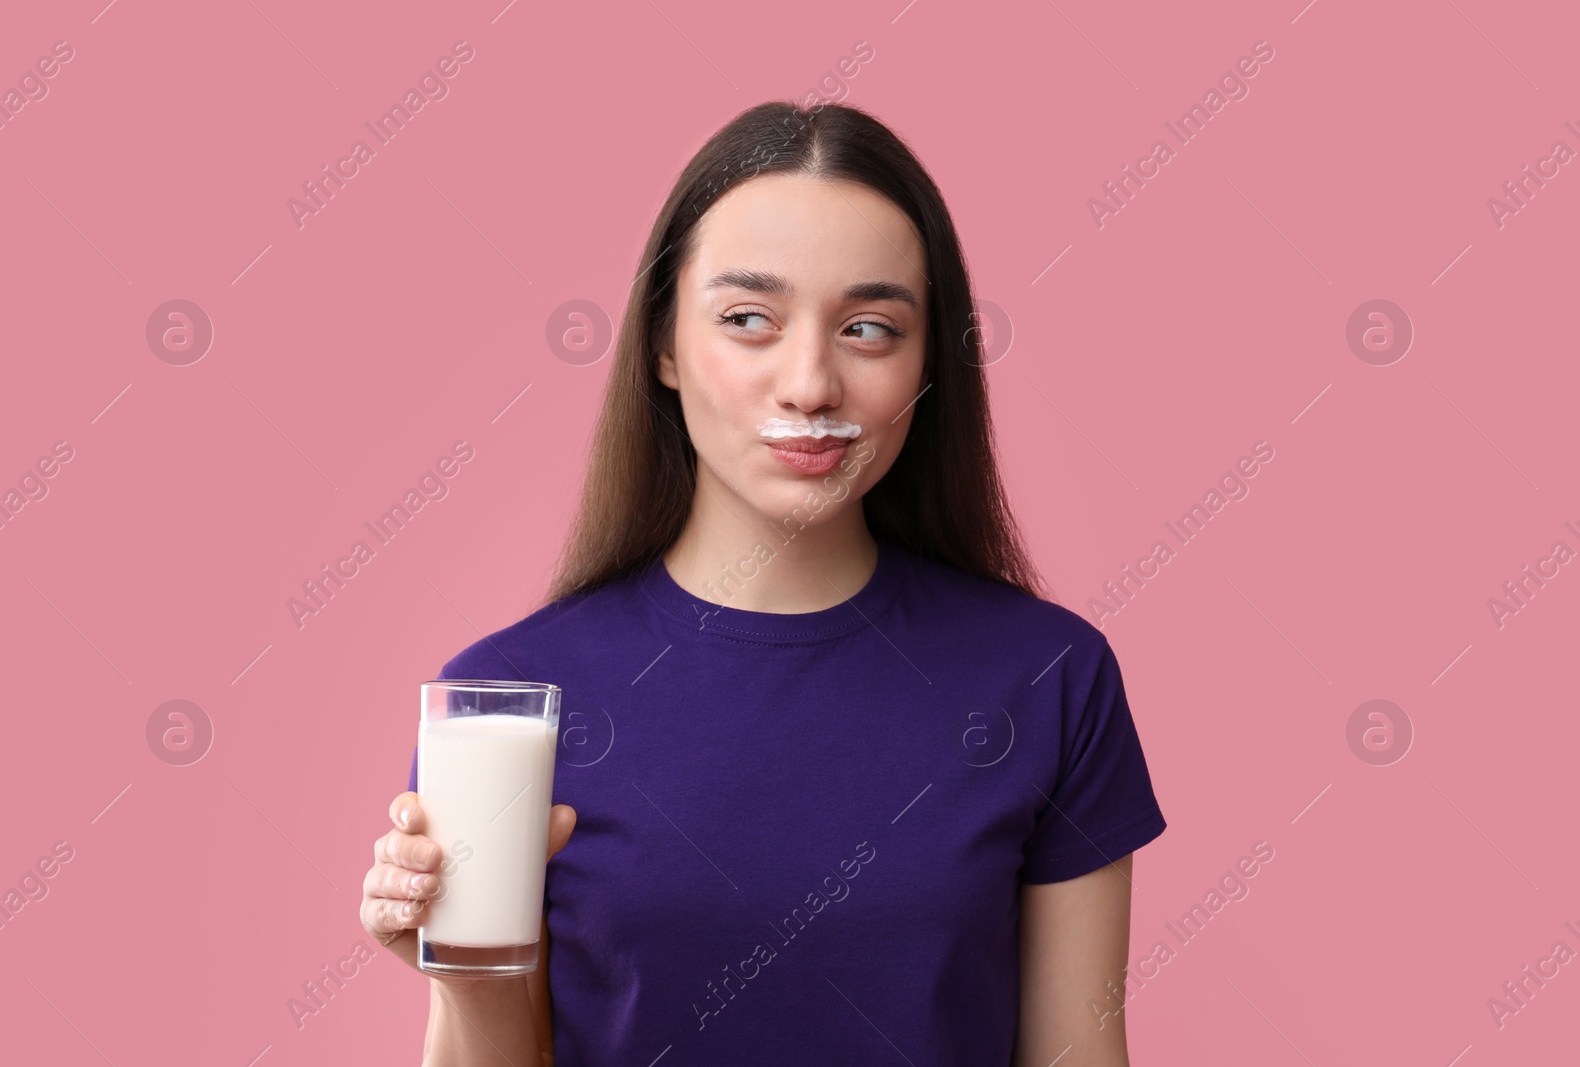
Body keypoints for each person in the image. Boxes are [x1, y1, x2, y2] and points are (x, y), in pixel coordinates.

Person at [359, 99, 1166, 1066]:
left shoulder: (1050, 680)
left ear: (927, 367)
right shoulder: (507, 705)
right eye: (749, 320)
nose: (810, 382)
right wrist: (466, 969)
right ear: (662, 346)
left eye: (869, 328)